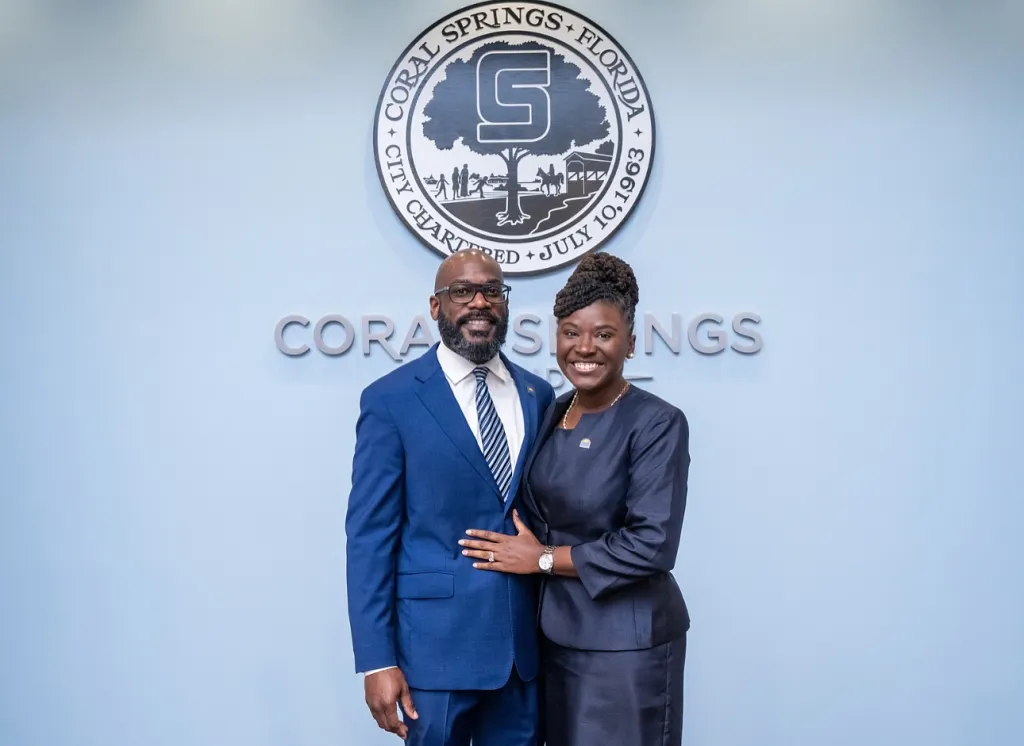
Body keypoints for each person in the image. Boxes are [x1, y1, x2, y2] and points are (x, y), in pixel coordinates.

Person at [458, 252, 691, 746]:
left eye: (603, 334)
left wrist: (540, 559)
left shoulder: (656, 422)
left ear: (629, 341)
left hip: (625, 649)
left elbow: (651, 544)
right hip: (554, 642)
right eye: (570, 332)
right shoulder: (552, 409)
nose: (584, 348)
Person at [345, 249, 555, 746]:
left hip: (522, 657)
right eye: (462, 291)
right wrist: (377, 659)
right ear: (436, 306)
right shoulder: (391, 400)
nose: (479, 302)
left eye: (492, 291)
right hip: (432, 658)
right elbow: (369, 537)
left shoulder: (538, 394)